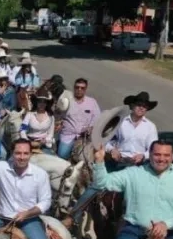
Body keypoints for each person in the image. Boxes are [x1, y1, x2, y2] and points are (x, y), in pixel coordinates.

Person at [65, 91, 160, 230]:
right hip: (118, 161)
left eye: (145, 106)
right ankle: (74, 216)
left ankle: (155, 224)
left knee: (152, 192)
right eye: (139, 105)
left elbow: (153, 149)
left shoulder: (150, 127)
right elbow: (107, 140)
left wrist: (143, 156)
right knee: (96, 185)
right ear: (132, 105)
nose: (142, 108)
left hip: (137, 165)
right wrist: (111, 150)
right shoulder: (121, 122)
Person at [57, 77, 100, 160]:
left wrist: (91, 128)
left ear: (85, 89)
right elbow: (58, 115)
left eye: (82, 88)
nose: (79, 90)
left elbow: (97, 118)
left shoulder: (92, 102)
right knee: (62, 155)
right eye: (77, 87)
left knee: (88, 158)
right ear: (74, 88)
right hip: (68, 135)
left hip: (85, 137)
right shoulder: (66, 101)